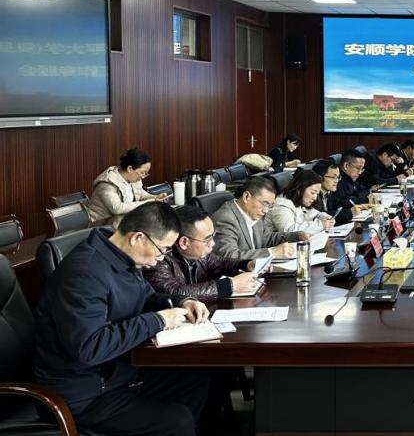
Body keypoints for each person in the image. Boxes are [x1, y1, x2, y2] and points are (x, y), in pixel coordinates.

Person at [34, 202, 210, 436]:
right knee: (177, 421)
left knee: (196, 378)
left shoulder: (122, 256)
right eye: (162, 250)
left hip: (116, 375)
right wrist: (158, 321)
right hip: (82, 396)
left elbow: (147, 297)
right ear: (137, 237)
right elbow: (90, 348)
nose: (161, 259)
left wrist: (183, 301)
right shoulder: (84, 274)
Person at [146, 205, 261, 301]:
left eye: (213, 236)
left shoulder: (200, 255)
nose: (213, 243)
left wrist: (247, 264)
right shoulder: (157, 258)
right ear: (184, 242)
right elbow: (175, 292)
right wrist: (231, 285)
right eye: (207, 239)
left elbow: (221, 264)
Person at [211, 176, 308, 260]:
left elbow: (267, 238)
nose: (266, 210)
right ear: (246, 197)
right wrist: (272, 252)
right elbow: (229, 256)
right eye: (264, 203)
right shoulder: (225, 219)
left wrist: (297, 236)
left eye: (269, 205)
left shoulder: (252, 212)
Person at [86, 148, 167, 228]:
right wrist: (148, 202)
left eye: (146, 173)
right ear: (130, 169)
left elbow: (140, 195)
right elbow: (117, 208)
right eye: (142, 172)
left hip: (120, 223)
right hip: (100, 226)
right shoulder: (107, 184)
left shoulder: (134, 179)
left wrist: (155, 197)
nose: (143, 177)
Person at [266, 170, 336, 234]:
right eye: (313, 193)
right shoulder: (281, 205)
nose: (315, 198)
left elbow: (315, 214)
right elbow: (289, 231)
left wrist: (326, 218)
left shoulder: (300, 201)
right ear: (299, 189)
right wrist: (320, 225)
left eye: (317, 194)